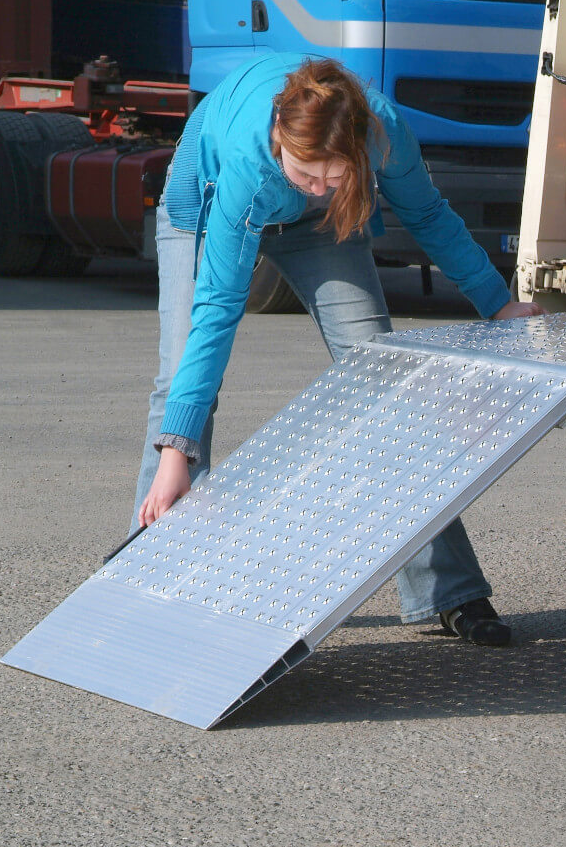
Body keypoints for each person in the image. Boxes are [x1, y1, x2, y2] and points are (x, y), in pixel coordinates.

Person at [132, 53, 545, 646]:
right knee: (183, 388)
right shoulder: (247, 168)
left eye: (335, 178)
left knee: (385, 381)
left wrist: (495, 301)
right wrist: (178, 450)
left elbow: (427, 214)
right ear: (280, 140)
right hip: (201, 202)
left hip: (320, 230)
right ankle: (147, 575)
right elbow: (217, 312)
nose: (320, 188)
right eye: (307, 176)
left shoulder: (382, 131)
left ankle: (449, 591)